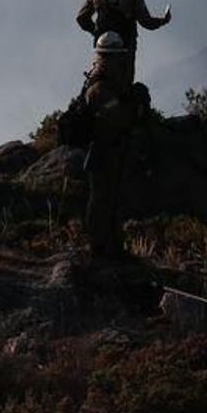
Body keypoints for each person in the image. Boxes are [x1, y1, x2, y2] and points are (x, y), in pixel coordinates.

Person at [80, 31, 148, 259]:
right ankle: (99, 248)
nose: (118, 60)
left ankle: (113, 246)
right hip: (102, 149)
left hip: (113, 148)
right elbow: (118, 117)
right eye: (114, 56)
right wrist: (136, 106)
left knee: (113, 199)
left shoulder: (110, 83)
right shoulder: (99, 88)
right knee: (102, 199)